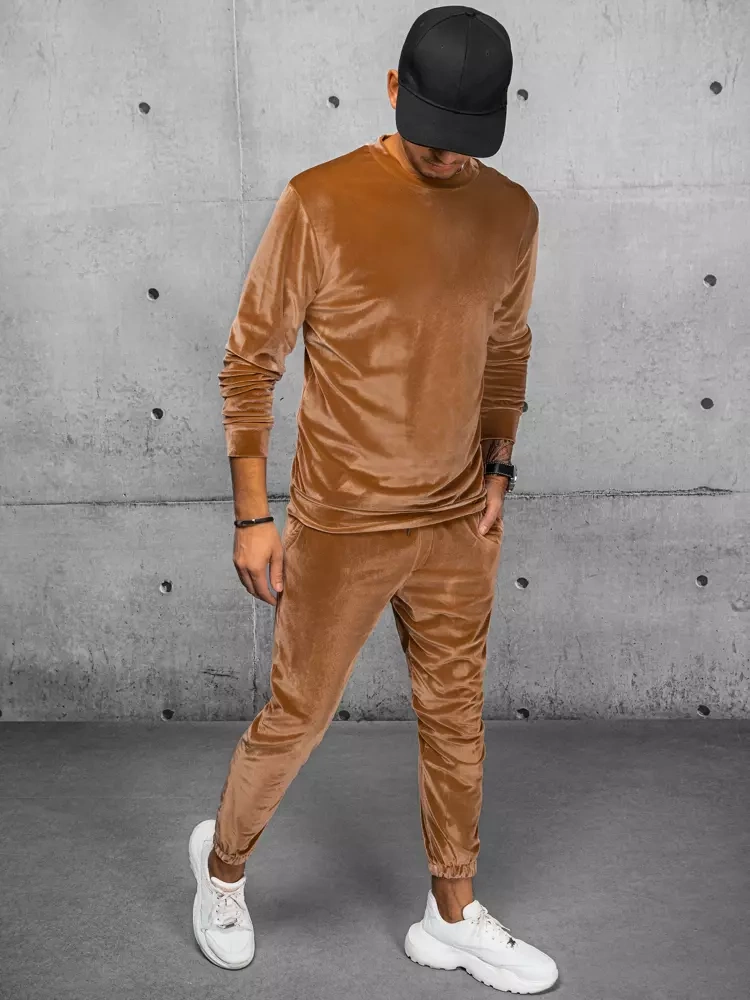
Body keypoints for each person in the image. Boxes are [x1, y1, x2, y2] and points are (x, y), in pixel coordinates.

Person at [189, 6, 558, 993]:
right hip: (343, 523)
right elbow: (249, 364)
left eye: (468, 141)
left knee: (457, 718)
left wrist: (500, 466)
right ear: (394, 91)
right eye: (432, 135)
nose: (448, 158)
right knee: (299, 716)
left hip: (455, 524)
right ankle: (221, 870)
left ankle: (452, 916)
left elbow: (508, 348)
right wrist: (253, 516)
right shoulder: (319, 201)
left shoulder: (511, 212)